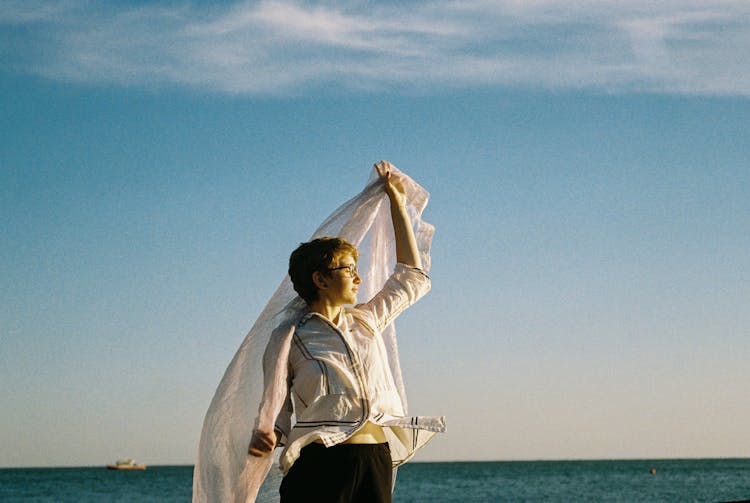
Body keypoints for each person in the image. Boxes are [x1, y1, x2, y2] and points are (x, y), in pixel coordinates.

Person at [247, 161, 444, 502]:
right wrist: (265, 435)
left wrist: (396, 201)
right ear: (320, 279)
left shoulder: (367, 320)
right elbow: (275, 411)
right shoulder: (289, 337)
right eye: (348, 269)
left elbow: (412, 276)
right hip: (321, 466)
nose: (358, 278)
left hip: (375, 460)